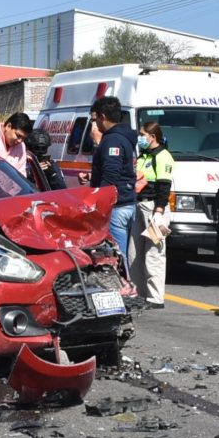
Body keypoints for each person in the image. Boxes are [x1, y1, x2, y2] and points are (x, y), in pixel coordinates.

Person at [79, 96, 137, 265]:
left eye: (95, 119)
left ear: (102, 116)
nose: (94, 124)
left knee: (117, 255)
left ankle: (123, 289)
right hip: (127, 202)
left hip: (116, 207)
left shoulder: (113, 139)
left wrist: (97, 201)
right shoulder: (123, 137)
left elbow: (111, 174)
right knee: (123, 252)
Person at [128, 121, 174, 309]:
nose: (140, 137)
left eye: (142, 134)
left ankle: (155, 297)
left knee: (154, 253)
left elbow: (164, 186)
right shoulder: (144, 156)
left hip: (154, 207)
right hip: (139, 205)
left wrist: (159, 212)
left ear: (152, 136)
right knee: (134, 252)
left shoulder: (163, 156)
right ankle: (138, 294)